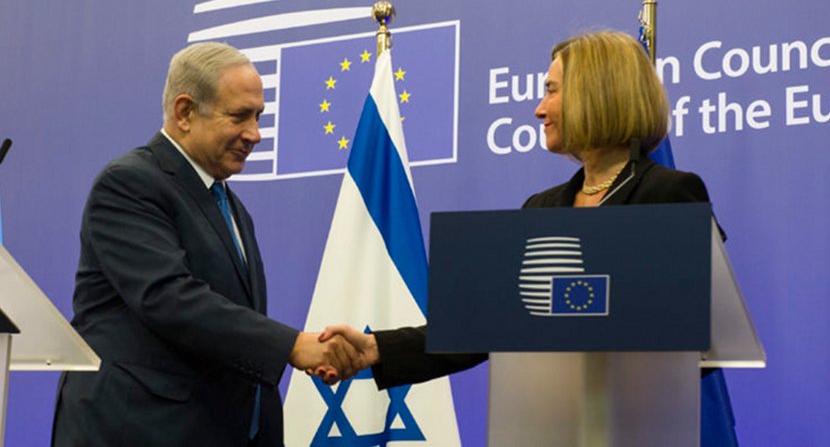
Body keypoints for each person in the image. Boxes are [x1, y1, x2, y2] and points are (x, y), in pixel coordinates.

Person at [317, 31, 737, 443]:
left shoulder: (669, 193)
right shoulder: (542, 208)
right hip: (550, 428)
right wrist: (375, 349)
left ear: (598, 93)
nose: (539, 109)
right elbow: (484, 324)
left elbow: (702, 327)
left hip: (636, 429)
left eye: (551, 90)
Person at [51, 42, 358, 447]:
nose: (255, 134)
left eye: (258, 116)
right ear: (184, 112)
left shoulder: (230, 206)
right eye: (239, 116)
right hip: (141, 430)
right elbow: (168, 297)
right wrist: (291, 346)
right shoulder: (129, 183)